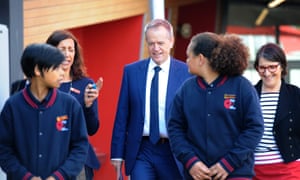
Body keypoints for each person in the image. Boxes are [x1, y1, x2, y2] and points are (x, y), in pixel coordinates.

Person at [167, 32, 264, 180]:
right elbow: (175, 128)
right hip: (197, 175)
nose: (186, 61)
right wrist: (191, 162)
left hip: (236, 174)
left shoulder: (242, 87)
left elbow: (255, 128)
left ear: (200, 59)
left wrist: (228, 163)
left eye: (189, 56)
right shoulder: (186, 90)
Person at [110, 18, 191, 180]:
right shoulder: (131, 71)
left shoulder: (187, 73)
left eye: (160, 43)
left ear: (171, 42)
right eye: (151, 43)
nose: (155, 48)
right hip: (141, 150)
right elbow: (122, 114)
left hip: (173, 151)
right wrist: (117, 155)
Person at [0, 43, 89, 179]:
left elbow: (80, 147)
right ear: (37, 70)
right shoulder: (12, 107)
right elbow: (3, 151)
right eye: (57, 68)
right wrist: (26, 177)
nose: (62, 72)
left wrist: (59, 176)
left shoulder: (70, 105)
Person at [45, 30, 103, 180]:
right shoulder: (42, 84)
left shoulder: (86, 84)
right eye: (62, 49)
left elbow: (92, 129)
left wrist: (89, 105)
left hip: (77, 161)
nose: (67, 54)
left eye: (71, 50)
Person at [253, 43, 300, 179]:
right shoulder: (250, 94)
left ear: (282, 66)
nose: (267, 73)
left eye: (272, 67)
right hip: (255, 170)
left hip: (290, 169)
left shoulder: (295, 94)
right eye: (262, 68)